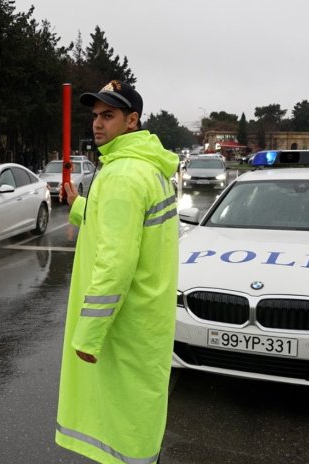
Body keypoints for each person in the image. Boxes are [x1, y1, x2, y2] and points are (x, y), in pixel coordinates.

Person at [55, 80, 179, 464]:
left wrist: (89, 334)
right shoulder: (144, 168)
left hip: (122, 330)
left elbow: (117, 261)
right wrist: (80, 205)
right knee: (138, 418)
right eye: (95, 116)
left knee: (122, 432)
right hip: (144, 322)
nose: (97, 123)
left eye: (108, 115)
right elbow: (120, 229)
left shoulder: (122, 175)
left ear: (131, 120)